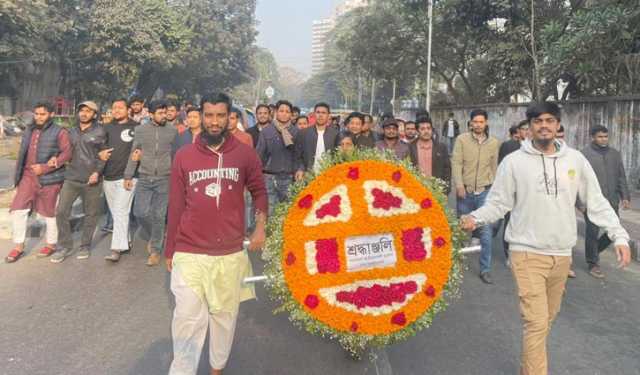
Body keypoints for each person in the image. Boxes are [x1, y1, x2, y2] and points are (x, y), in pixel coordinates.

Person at [460, 102, 631, 375]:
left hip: (562, 254)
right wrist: (475, 218)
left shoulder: (575, 160)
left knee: (546, 320)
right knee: (536, 323)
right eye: (537, 121)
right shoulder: (514, 162)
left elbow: (596, 201)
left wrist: (619, 235)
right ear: (528, 127)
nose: (543, 125)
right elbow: (499, 203)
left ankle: (527, 367)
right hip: (526, 252)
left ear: (557, 125)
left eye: (549, 120)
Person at [165, 92, 268, 375]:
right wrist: (169, 249)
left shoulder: (245, 154)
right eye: (208, 115)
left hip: (230, 253)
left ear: (229, 118)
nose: (213, 121)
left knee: (224, 317)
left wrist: (260, 226)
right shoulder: (184, 156)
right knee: (186, 319)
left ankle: (216, 368)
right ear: (199, 116)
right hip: (189, 250)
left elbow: (259, 191)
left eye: (220, 115)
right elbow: (175, 204)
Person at [5, 102, 72, 263]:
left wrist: (45, 167)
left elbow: (67, 153)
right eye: (37, 114)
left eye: (42, 114)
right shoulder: (30, 129)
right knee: (18, 210)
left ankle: (51, 244)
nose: (39, 117)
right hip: (27, 177)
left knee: (49, 213)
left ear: (51, 114)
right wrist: (18, 177)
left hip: (50, 178)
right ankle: (18, 247)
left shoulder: (60, 132)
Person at [51, 101, 106, 263]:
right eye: (82, 110)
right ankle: (65, 246)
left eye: (88, 111)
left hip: (92, 180)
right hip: (71, 178)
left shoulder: (100, 131)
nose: (84, 113)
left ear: (94, 114)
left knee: (91, 214)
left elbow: (104, 154)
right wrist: (55, 156)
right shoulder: (71, 131)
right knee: (61, 211)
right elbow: (62, 150)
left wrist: (97, 172)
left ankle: (85, 245)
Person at [124, 100, 177, 266]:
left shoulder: (172, 131)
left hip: (164, 178)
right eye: (161, 113)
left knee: (159, 215)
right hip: (145, 177)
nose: (165, 115)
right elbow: (135, 153)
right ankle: (155, 234)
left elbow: (177, 154)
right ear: (151, 114)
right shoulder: (140, 130)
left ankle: (155, 250)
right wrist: (128, 175)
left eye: (166, 112)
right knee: (140, 212)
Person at [451, 109, 500, 284]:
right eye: (475, 122)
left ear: (486, 123)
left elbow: (494, 166)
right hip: (465, 191)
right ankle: (456, 262)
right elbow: (456, 162)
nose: (478, 125)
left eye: (481, 122)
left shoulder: (494, 143)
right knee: (463, 227)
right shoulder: (462, 140)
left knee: (485, 231)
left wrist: (493, 189)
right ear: (471, 123)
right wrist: (459, 184)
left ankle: (485, 269)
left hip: (485, 192)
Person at [580, 125, 630, 278]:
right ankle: (593, 263)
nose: (603, 139)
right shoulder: (584, 155)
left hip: (612, 200)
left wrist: (625, 197)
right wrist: (580, 203)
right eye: (600, 137)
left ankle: (594, 252)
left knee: (613, 230)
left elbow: (621, 176)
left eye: (605, 136)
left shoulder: (614, 154)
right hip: (592, 201)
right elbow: (579, 181)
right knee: (592, 232)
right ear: (592, 137)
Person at [100, 98, 140, 262]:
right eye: (114, 107)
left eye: (120, 107)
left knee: (121, 210)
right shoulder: (106, 127)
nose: (116, 110)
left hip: (128, 177)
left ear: (128, 109)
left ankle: (116, 248)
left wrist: (132, 172)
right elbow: (99, 146)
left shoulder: (137, 128)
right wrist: (100, 154)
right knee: (117, 212)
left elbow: (141, 149)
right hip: (108, 175)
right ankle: (126, 241)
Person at [256, 100, 299, 214]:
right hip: (270, 178)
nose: (284, 114)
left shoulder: (296, 132)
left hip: (289, 178)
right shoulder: (266, 131)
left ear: (291, 114)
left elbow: (298, 156)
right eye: (281, 111)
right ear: (276, 112)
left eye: (287, 111)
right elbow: (259, 156)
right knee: (270, 210)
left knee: (287, 211)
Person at [295, 102, 340, 179]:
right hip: (307, 176)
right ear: (314, 114)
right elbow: (297, 155)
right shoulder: (303, 133)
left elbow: (337, 156)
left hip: (328, 176)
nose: (320, 115)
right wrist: (300, 169)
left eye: (323, 113)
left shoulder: (335, 134)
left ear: (328, 115)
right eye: (318, 112)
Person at [408, 117, 451, 193]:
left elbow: (447, 170)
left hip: (437, 191)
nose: (426, 131)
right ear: (417, 131)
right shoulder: (410, 147)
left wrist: (445, 190)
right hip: (416, 190)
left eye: (428, 128)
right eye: (423, 129)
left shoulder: (441, 147)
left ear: (432, 130)